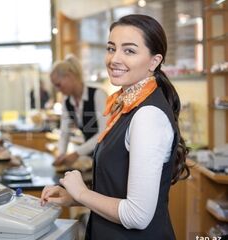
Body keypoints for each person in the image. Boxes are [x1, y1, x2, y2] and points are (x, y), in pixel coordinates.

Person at [41, 14, 190, 239]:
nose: (114, 59)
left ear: (154, 61)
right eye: (111, 48)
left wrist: (81, 193)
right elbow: (117, 189)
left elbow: (137, 215)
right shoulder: (128, 104)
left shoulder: (147, 115)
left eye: (129, 50)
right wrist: (75, 197)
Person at [50, 54, 107, 166]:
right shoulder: (67, 102)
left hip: (108, 155)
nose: (58, 90)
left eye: (59, 84)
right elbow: (64, 132)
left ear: (69, 76)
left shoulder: (98, 95)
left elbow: (104, 133)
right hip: (92, 158)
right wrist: (61, 154)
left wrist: (77, 153)